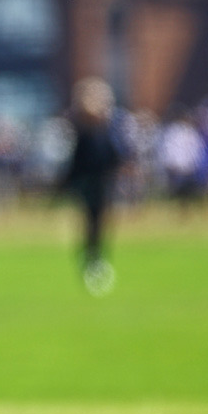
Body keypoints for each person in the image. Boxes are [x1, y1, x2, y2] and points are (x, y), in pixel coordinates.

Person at [60, 77, 124, 296]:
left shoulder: (105, 132)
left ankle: (96, 259)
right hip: (88, 186)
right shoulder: (84, 134)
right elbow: (76, 164)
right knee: (90, 224)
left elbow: (114, 157)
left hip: (103, 184)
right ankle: (91, 260)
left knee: (100, 225)